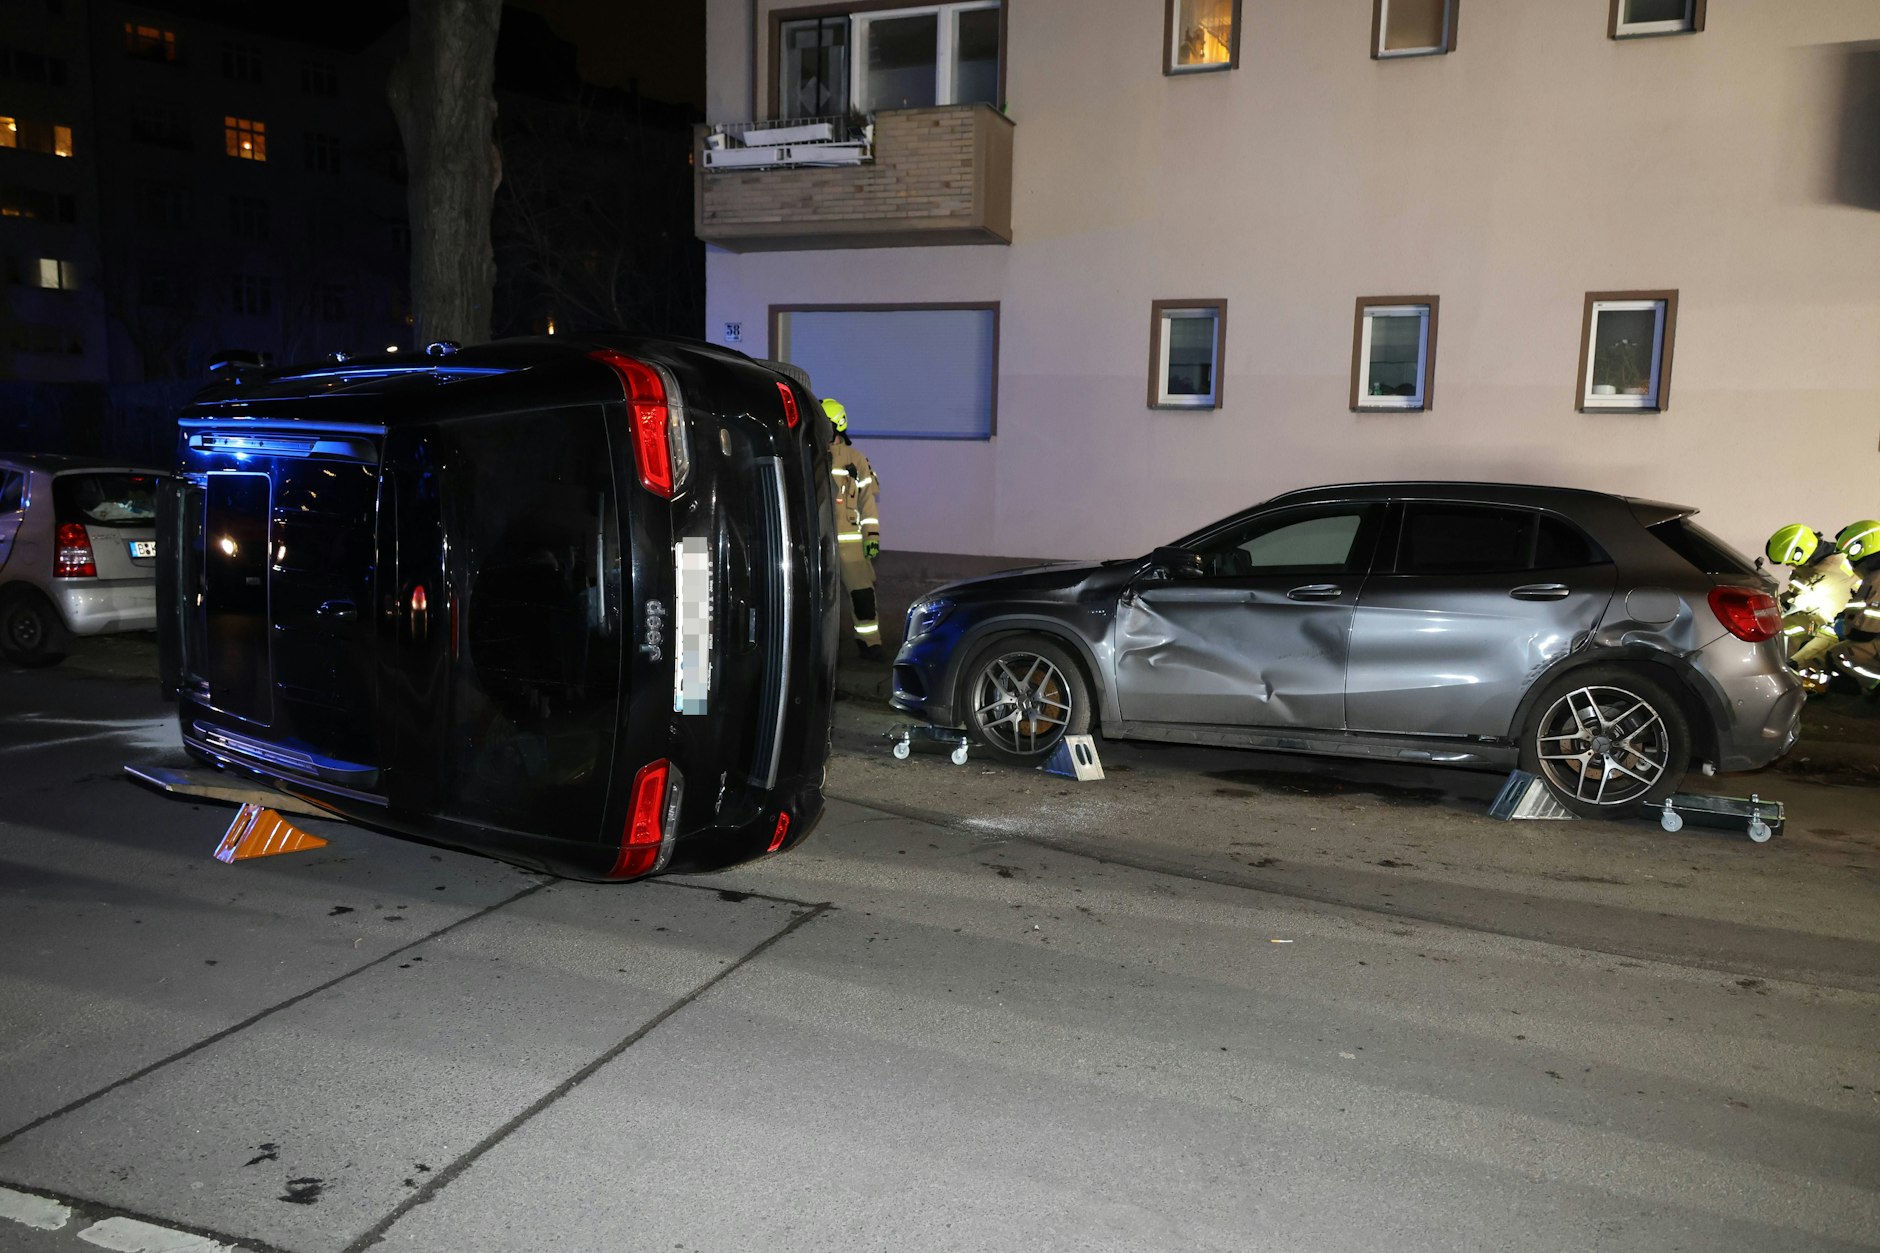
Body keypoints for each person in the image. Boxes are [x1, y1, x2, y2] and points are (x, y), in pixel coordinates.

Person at [824, 398, 884, 659]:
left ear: (837, 425)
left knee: (862, 595)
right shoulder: (812, 455)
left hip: (850, 543)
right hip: (819, 541)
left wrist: (871, 535)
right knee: (818, 598)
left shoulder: (856, 460)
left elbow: (867, 501)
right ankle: (818, 648)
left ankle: (870, 643)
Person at [1767, 523, 1859, 681]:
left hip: (1841, 629)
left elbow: (1795, 601)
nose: (1789, 566)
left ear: (1799, 554)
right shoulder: (1827, 560)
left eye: (1789, 562)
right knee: (1783, 628)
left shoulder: (1823, 573)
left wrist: (1768, 607)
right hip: (1828, 620)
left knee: (1796, 650)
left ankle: (1810, 677)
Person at [1826, 519, 1880, 698]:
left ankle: (1875, 685)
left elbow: (1864, 631)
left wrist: (1845, 625)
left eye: (1851, 553)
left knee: (1841, 653)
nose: (1849, 560)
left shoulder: (1875, 579)